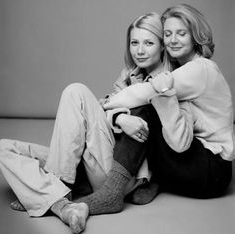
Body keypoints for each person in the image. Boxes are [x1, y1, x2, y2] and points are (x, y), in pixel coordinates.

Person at [64, 3, 234, 232]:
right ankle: (150, 182)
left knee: (148, 104)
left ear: (196, 36)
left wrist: (101, 105)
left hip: (209, 170)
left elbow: (143, 93)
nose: (173, 40)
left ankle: (112, 193)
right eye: (168, 34)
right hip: (197, 166)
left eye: (181, 33)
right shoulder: (182, 70)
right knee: (155, 102)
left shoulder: (200, 69)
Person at [0, 12, 166, 234]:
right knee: (3, 148)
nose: (140, 50)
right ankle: (58, 202)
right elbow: (104, 106)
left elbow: (153, 136)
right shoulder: (130, 75)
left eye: (149, 43)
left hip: (118, 173)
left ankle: (51, 192)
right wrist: (119, 117)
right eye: (134, 42)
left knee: (75, 91)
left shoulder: (166, 84)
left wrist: (116, 113)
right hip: (92, 160)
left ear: (163, 46)